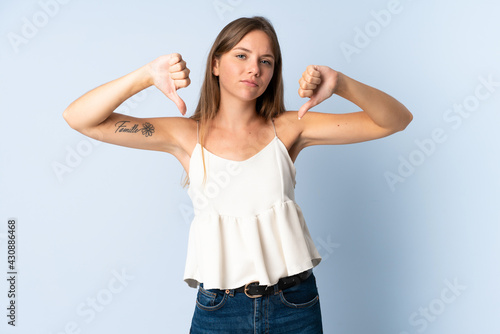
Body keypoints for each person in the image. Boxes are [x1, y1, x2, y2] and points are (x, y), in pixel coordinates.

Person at [63, 16, 412, 334]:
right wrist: (145, 76)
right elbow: (81, 118)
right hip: (219, 310)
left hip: (294, 305)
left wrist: (340, 83)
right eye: (241, 56)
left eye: (266, 61)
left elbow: (396, 120)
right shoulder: (186, 136)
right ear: (215, 63)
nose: (254, 69)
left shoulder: (290, 128)